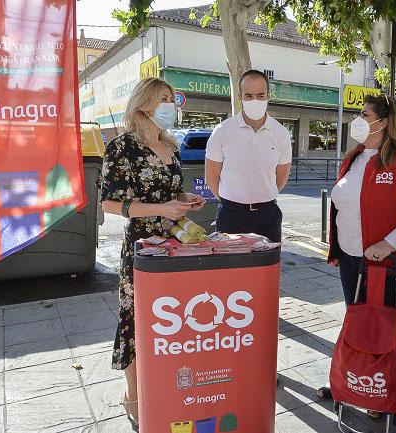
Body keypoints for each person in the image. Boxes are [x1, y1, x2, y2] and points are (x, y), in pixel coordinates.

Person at [319, 94, 396, 414]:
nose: (357, 119)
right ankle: (352, 379)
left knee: (383, 328)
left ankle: (378, 392)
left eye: (364, 113)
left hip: (388, 264)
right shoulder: (355, 155)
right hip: (351, 258)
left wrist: (389, 243)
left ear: (383, 121)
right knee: (357, 323)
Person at [99, 78, 206, 427]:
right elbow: (110, 203)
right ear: (145, 103)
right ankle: (133, 395)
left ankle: (161, 385)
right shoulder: (122, 147)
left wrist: (185, 201)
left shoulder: (170, 145)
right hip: (142, 249)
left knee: (168, 321)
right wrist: (161, 209)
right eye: (164, 99)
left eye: (172, 99)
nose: (170, 105)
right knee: (136, 320)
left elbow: (171, 194)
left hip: (175, 245)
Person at [205, 70, 292, 242]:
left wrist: (261, 197)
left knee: (268, 268)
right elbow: (211, 178)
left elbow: (281, 178)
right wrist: (233, 203)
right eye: (249, 95)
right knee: (230, 267)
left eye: (260, 95)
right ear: (240, 97)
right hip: (231, 215)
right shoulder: (222, 131)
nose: (255, 101)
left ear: (269, 96)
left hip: (268, 215)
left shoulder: (281, 133)